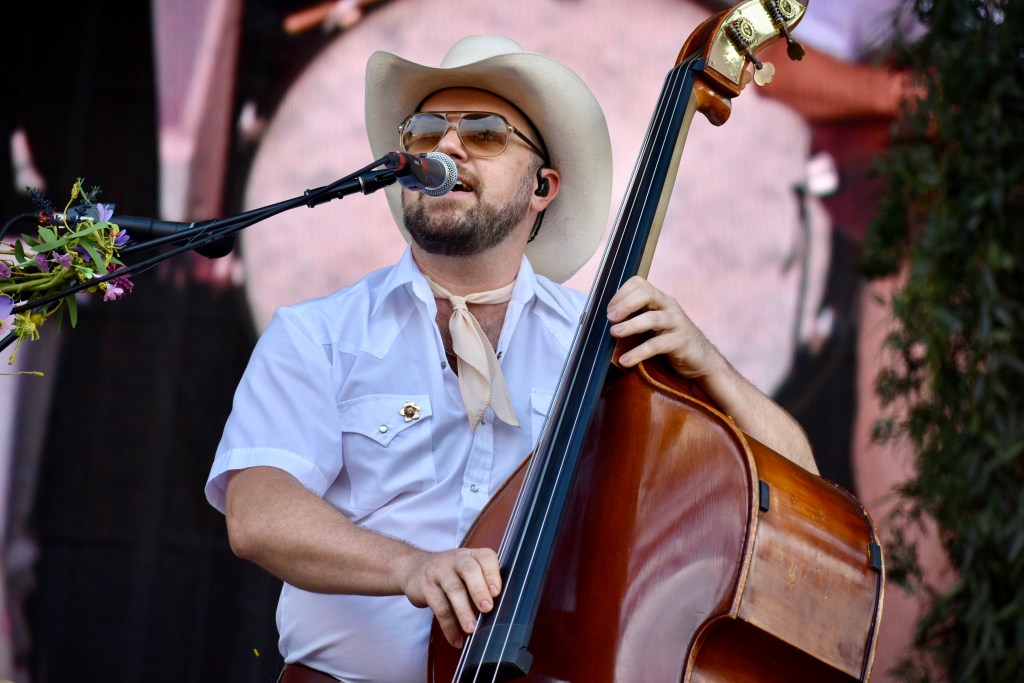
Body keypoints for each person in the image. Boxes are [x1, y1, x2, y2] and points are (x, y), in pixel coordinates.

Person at [205, 35, 818, 683]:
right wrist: (411, 566)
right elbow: (258, 512)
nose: (444, 147)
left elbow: (797, 483)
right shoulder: (317, 333)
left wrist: (710, 366)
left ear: (542, 187)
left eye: (486, 133)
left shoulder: (606, 343)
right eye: (423, 131)